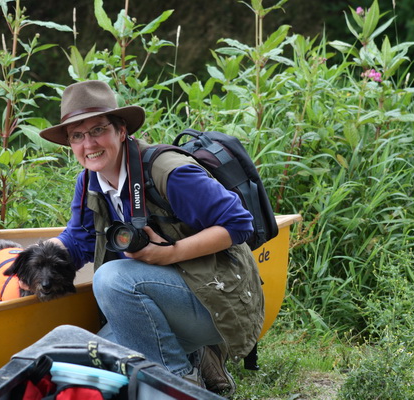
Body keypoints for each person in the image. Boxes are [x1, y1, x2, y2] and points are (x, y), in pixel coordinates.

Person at [36, 80, 265, 394]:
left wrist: (170, 253)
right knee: (91, 358)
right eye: (77, 135)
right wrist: (31, 260)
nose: (88, 144)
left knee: (111, 278)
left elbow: (240, 224)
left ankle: (178, 383)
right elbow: (78, 240)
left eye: (98, 130)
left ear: (121, 131)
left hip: (221, 297)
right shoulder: (89, 181)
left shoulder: (169, 172)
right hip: (166, 296)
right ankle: (197, 358)